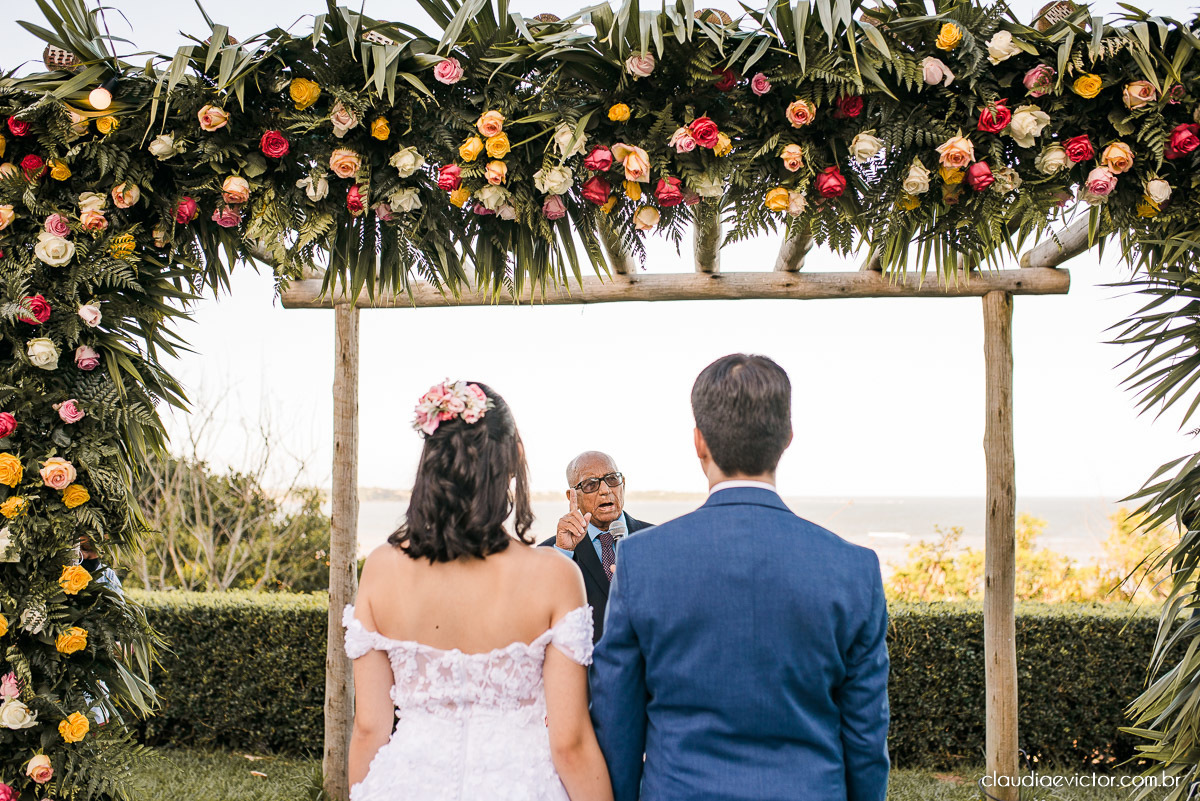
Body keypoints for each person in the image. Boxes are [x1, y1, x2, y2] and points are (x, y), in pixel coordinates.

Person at [591, 354, 890, 801]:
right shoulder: (853, 569)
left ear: (698, 442)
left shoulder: (641, 560)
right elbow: (866, 737)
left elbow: (616, 719)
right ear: (787, 438)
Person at [344, 380, 613, 801]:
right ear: (511, 463)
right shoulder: (554, 576)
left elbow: (368, 729)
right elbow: (570, 744)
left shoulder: (380, 568)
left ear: (431, 462)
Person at [539, 452, 652, 643]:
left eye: (612, 479)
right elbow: (537, 613)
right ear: (572, 495)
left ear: (623, 483)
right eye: (591, 484)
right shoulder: (550, 552)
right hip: (585, 670)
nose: (605, 490)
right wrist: (563, 552)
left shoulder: (654, 539)